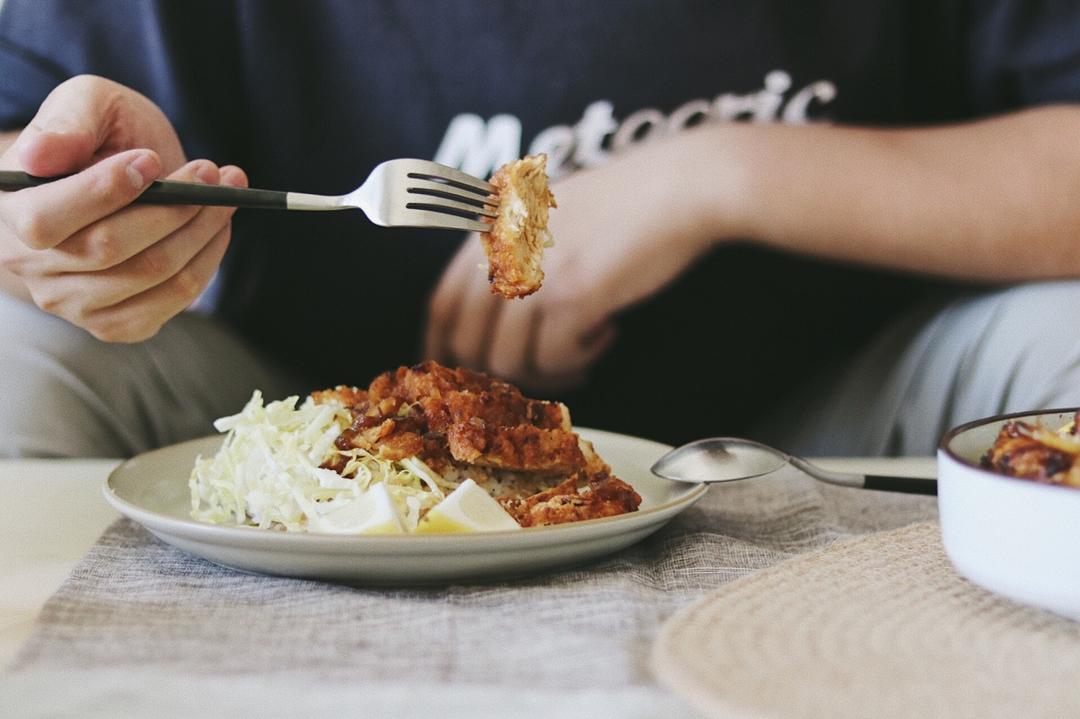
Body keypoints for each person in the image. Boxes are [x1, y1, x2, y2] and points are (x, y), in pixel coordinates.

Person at [2, 0, 1080, 458]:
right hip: (288, 426)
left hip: (814, 429)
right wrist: (61, 217)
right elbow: (20, 160)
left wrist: (727, 172)